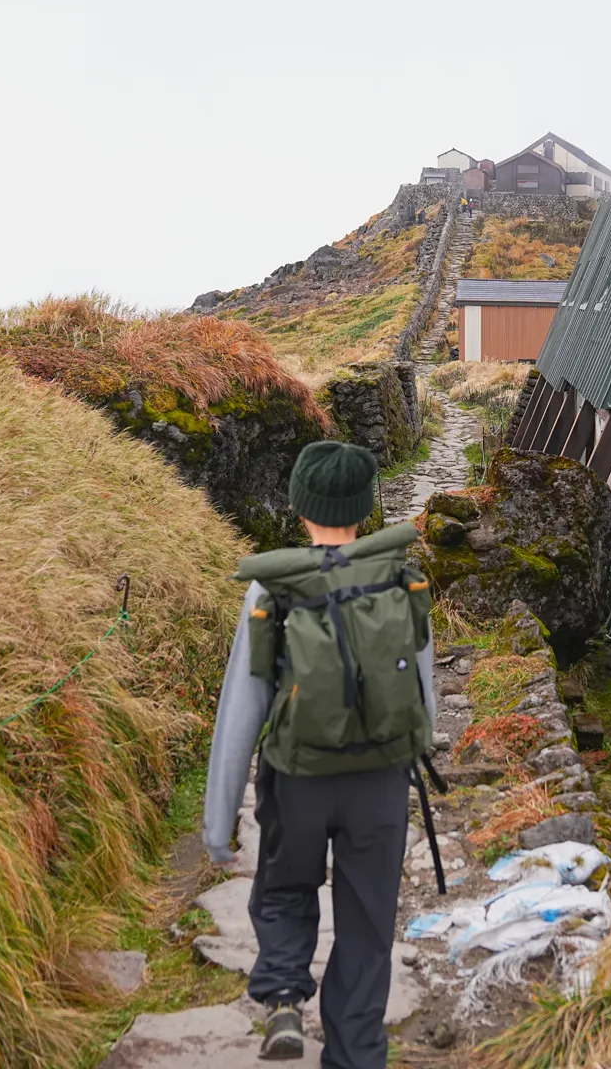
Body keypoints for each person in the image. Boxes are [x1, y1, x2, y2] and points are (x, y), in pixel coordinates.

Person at [203, 441, 437, 1066]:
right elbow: (423, 696)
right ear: (364, 505)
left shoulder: (271, 587)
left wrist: (218, 824)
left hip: (298, 777)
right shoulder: (398, 575)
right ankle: (357, 1053)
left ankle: (282, 994)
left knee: (284, 887)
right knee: (366, 922)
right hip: (382, 781)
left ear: (300, 506)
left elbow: (241, 711)